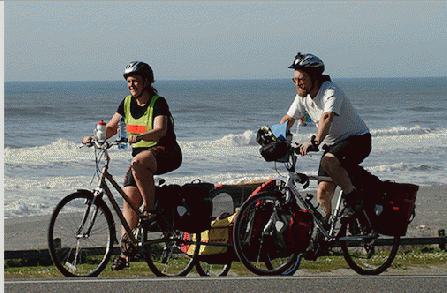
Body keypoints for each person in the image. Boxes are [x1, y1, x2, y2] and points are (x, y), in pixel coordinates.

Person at [83, 61, 182, 270]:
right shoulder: (127, 103)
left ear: (146, 82)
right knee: (128, 201)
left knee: (138, 162)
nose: (131, 85)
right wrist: (94, 137)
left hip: (166, 152)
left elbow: (161, 129)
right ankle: (126, 254)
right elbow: (111, 126)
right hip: (141, 160)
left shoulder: (158, 102)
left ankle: (150, 209)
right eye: (128, 81)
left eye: (135, 81)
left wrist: (140, 136)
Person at [280, 52, 371, 225]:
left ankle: (354, 200)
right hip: (333, 144)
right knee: (322, 194)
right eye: (295, 80)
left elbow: (327, 117)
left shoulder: (330, 90)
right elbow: (289, 119)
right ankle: (326, 227)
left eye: (302, 79)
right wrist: (273, 137)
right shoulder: (302, 96)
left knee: (328, 162)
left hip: (357, 140)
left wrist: (314, 141)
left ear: (314, 78)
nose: (297, 83)